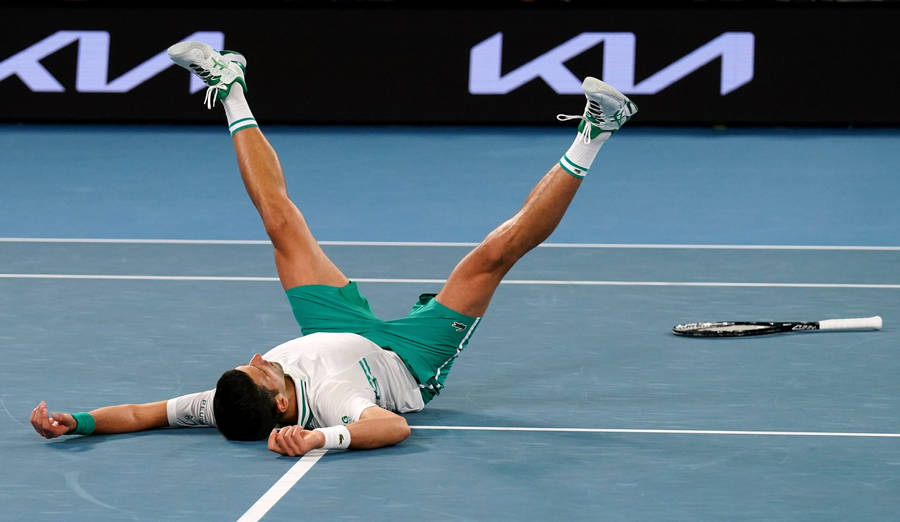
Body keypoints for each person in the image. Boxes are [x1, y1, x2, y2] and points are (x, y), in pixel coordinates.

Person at [29, 41, 637, 457]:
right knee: (493, 256)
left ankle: (230, 85)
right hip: (405, 362)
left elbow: (142, 415)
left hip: (332, 328)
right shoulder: (332, 401)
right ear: (285, 401)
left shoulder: (226, 402)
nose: (259, 354)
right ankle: (597, 132)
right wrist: (323, 440)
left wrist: (75, 422)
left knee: (279, 221)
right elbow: (392, 427)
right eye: (262, 369)